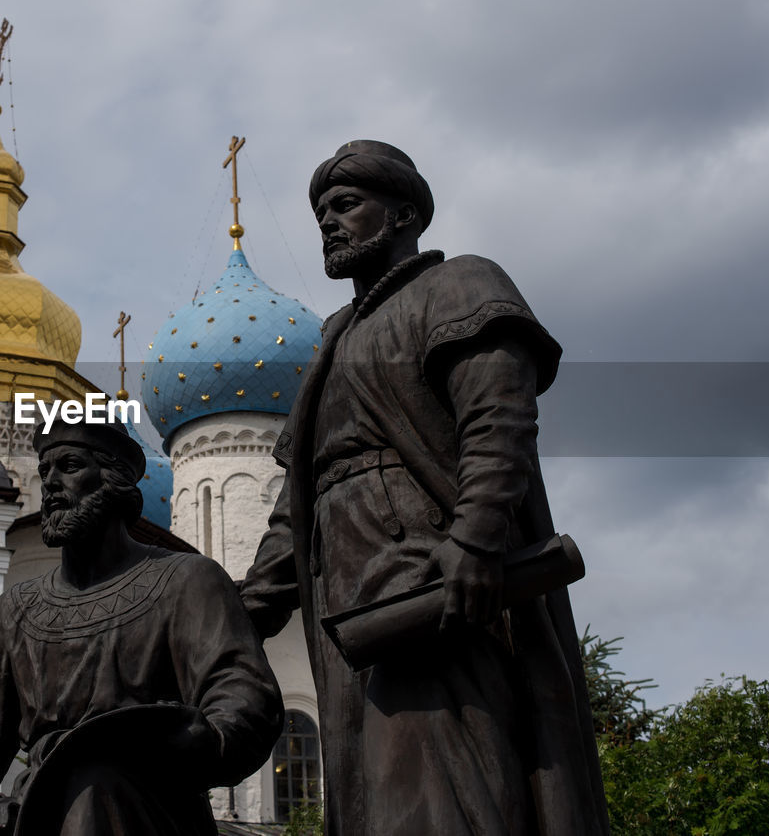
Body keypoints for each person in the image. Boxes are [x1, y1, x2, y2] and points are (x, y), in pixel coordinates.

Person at [239, 140, 609, 834]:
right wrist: (245, 608)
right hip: (350, 613)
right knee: (374, 798)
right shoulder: (331, 344)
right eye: (320, 209)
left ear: (404, 212)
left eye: (345, 204)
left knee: (444, 789)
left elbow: (498, 419)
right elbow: (299, 511)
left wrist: (472, 538)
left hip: (434, 594)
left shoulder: (460, 285)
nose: (327, 220)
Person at [0, 418, 282, 836]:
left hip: (148, 799)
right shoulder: (15, 613)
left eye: (70, 466)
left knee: (95, 779)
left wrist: (196, 740)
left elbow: (240, 693)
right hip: (39, 803)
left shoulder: (186, 580)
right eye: (45, 472)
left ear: (115, 482)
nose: (51, 484)